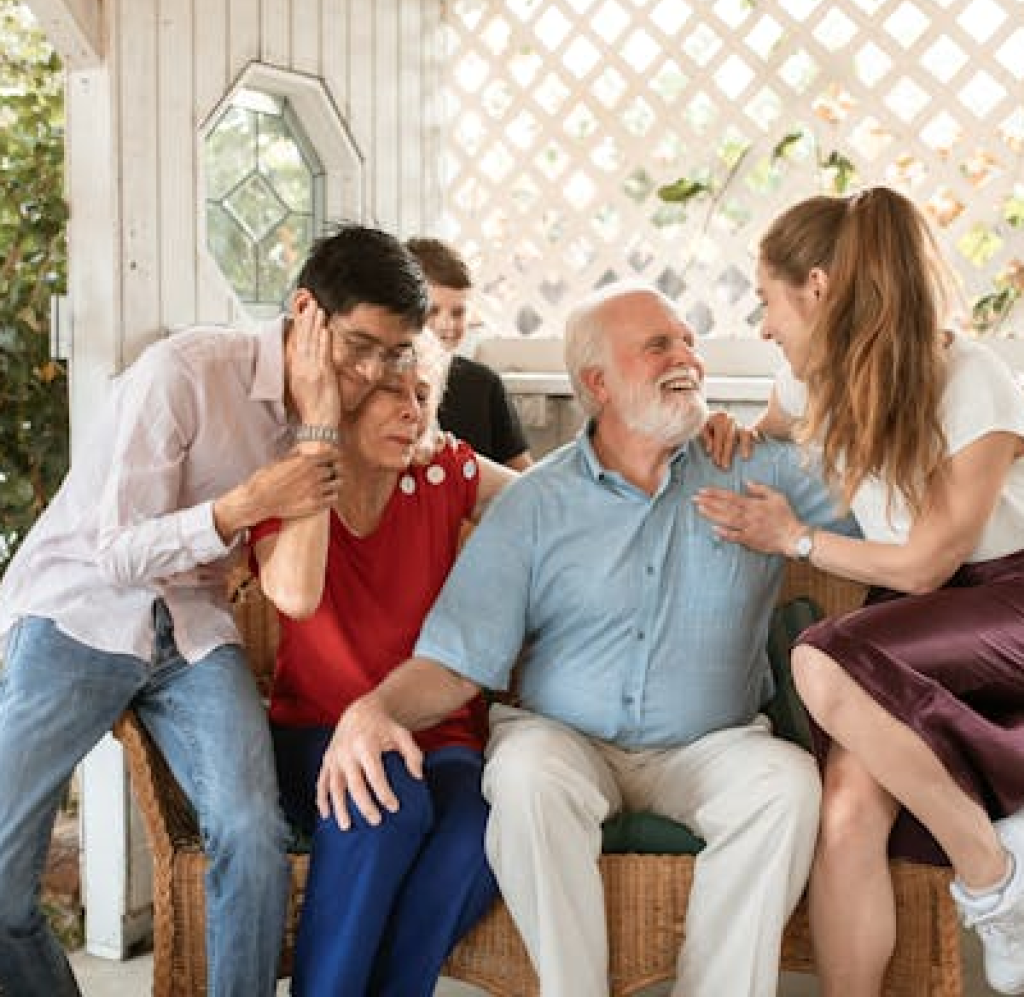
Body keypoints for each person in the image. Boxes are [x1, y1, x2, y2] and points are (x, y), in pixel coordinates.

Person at [308, 282, 857, 997]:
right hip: (564, 738)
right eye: (659, 345)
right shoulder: (536, 504)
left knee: (785, 786)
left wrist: (802, 505)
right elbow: (455, 660)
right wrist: (373, 711)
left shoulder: (758, 470)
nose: (686, 355)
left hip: (710, 744)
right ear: (597, 382)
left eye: (688, 340)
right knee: (525, 776)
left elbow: (889, 506)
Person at [0, 222, 429, 997]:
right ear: (306, 310)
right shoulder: (187, 372)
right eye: (359, 347)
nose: (371, 374)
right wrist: (239, 508)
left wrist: (327, 425)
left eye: (392, 355)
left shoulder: (334, 414)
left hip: (195, 630)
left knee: (251, 836)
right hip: (78, 611)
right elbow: (115, 554)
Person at [694, 186, 1024, 997]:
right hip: (908, 624)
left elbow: (926, 567)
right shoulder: (811, 385)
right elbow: (769, 420)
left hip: (1002, 603)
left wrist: (795, 539)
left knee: (821, 663)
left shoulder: (971, 378)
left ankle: (994, 874)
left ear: (818, 288)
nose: (765, 326)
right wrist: (726, 428)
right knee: (844, 813)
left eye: (768, 301)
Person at [250, 324, 515, 997]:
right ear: (347, 396)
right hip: (316, 731)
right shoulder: (291, 484)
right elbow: (296, 596)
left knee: (484, 827)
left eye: (423, 394)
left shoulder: (443, 470)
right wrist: (320, 456)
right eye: (392, 392)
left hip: (439, 732)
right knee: (384, 798)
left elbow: (551, 502)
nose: (412, 410)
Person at [405, 236, 533, 470]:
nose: (446, 325)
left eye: (457, 313)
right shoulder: (386, 385)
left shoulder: (484, 385)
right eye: (432, 311)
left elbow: (524, 478)